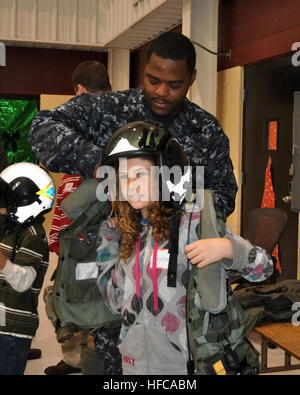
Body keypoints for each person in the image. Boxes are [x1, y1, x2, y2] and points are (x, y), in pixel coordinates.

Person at [95, 121, 274, 375]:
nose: (130, 185)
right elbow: (115, 303)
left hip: (186, 367)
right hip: (134, 366)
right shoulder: (127, 233)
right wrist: (109, 243)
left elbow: (264, 268)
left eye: (139, 175)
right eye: (123, 177)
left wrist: (227, 249)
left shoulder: (194, 223)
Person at [29, 32, 237, 221]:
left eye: (174, 84)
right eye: (154, 81)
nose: (162, 92)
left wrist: (179, 212)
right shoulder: (110, 108)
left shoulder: (205, 129)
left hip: (173, 250)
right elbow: (43, 126)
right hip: (109, 248)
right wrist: (99, 163)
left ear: (191, 78)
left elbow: (224, 194)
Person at [44, 60, 112, 376]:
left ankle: (88, 361)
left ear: (80, 90)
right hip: (100, 233)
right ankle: (76, 359)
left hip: (89, 232)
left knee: (83, 298)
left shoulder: (83, 121)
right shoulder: (121, 118)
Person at [0, 162, 55, 375]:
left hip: (13, 332)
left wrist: (3, 262)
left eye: (6, 199)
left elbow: (23, 282)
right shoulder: (10, 229)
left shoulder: (33, 236)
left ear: (24, 200)